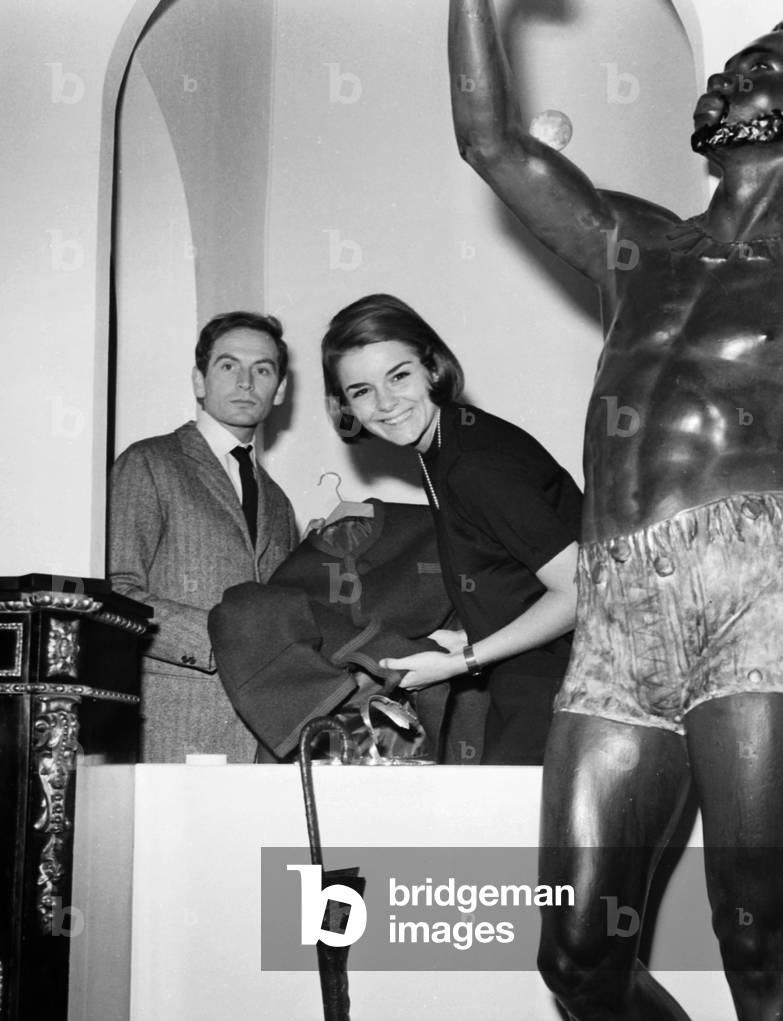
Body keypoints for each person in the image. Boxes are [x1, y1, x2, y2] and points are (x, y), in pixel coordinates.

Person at [451, 4, 783, 1018]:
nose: (721, 85)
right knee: (578, 954)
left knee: (759, 937)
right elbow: (490, 141)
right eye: (721, 71)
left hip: (757, 594)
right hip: (621, 605)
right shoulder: (640, 246)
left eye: (757, 68)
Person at [321, 293, 581, 765]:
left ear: (433, 368)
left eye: (398, 376)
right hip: (544, 681)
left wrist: (463, 660)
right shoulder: (447, 444)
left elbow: (581, 591)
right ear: (345, 405)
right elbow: (520, 570)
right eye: (361, 391)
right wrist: (470, 635)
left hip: (568, 694)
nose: (385, 403)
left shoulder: (472, 466)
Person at [107, 312, 297, 763]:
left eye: (263, 369)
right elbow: (116, 593)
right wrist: (222, 641)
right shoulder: (148, 463)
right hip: (173, 723)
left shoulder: (279, 501)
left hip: (260, 739)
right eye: (229, 366)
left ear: (281, 390)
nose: (247, 382)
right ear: (199, 380)